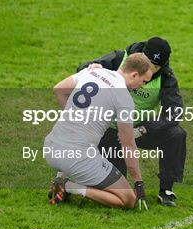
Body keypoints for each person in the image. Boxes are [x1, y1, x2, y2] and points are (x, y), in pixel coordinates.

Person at [77, 36, 186, 207]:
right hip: (109, 129)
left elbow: (175, 112)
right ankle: (70, 180)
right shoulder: (120, 58)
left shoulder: (166, 77)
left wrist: (143, 129)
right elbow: (82, 69)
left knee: (176, 134)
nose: (150, 72)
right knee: (116, 190)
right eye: (148, 65)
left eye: (156, 67)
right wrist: (93, 69)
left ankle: (166, 190)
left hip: (136, 130)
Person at [45, 53, 153, 209]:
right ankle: (69, 186)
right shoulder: (124, 98)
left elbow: (59, 89)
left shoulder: (93, 71)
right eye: (143, 81)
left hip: (51, 148)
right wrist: (138, 181)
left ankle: (63, 177)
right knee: (128, 199)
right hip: (77, 158)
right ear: (135, 74)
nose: (142, 86)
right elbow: (128, 145)